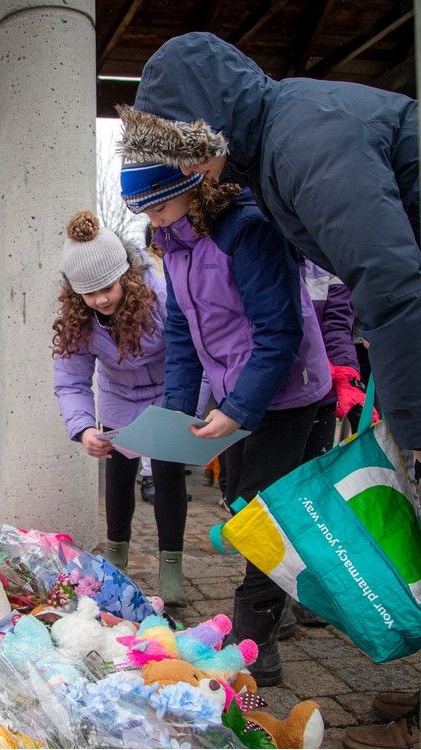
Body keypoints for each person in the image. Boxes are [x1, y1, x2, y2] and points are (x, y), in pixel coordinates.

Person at [119, 32, 421, 471]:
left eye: (184, 149)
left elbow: (388, 282)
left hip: (291, 394)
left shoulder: (302, 147)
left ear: (211, 120)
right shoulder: (271, 152)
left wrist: (414, 426)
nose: (186, 169)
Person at [121, 161, 331, 686]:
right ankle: (279, 607)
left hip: (288, 390)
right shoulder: (172, 242)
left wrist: (237, 407)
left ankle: (254, 646)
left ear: (189, 188)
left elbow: (279, 332)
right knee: (238, 498)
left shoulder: (248, 230)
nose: (153, 219)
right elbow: (181, 328)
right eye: (144, 211)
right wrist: (177, 409)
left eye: (158, 205)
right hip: (236, 391)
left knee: (265, 511)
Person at [52, 208, 190, 605]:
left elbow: (188, 354)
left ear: (126, 275)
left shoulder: (161, 295)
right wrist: (83, 429)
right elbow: (71, 380)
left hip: (168, 390)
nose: (100, 299)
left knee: (167, 473)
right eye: (89, 293)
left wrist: (183, 412)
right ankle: (116, 554)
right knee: (117, 471)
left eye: (107, 288)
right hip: (117, 396)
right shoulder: (77, 318)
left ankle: (171, 564)